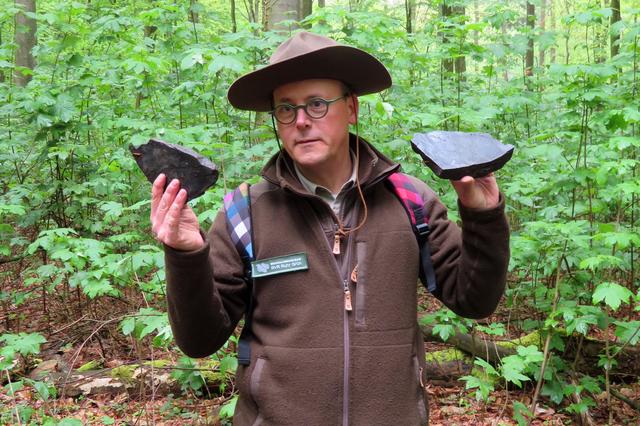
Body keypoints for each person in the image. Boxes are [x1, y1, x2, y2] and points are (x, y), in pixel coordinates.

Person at [150, 31, 509, 425]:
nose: (301, 121)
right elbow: (200, 340)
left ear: (351, 108)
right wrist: (185, 253)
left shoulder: (410, 201)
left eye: (317, 105)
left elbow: (475, 300)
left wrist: (484, 215)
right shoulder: (245, 211)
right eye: (285, 109)